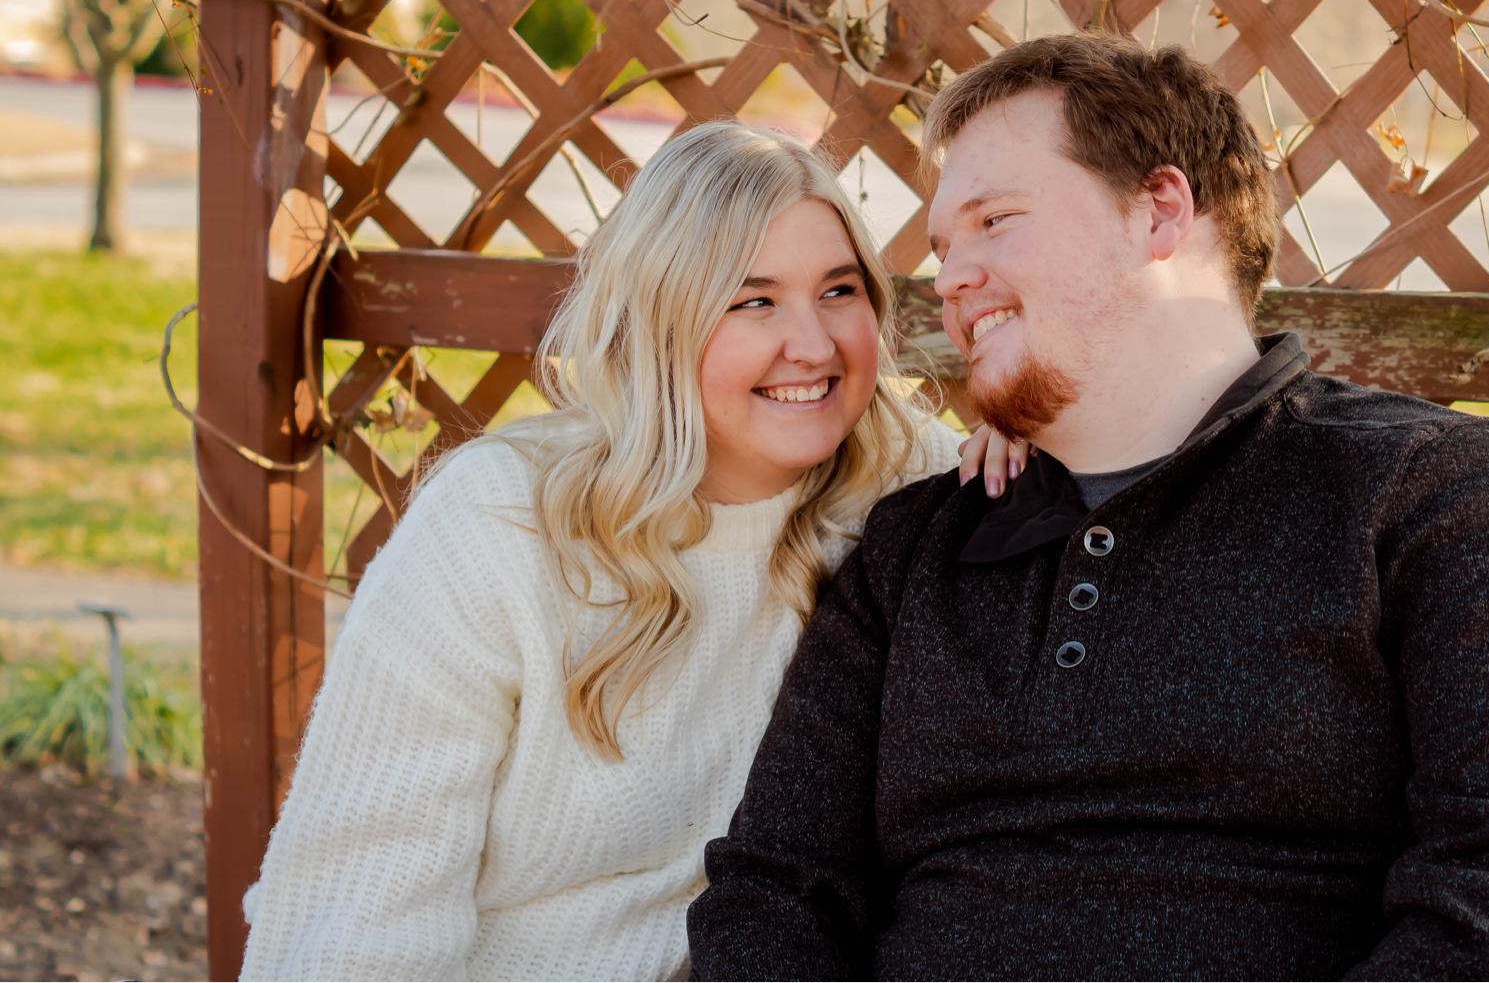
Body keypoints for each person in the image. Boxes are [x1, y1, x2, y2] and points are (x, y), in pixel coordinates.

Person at [688, 33, 1489, 980]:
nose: (948, 278)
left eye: (994, 220)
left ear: (1160, 210)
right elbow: (775, 888)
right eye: (943, 247)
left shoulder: (1427, 497)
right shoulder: (916, 549)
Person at [237, 121, 1024, 980]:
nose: (813, 344)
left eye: (839, 290)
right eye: (752, 301)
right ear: (660, 321)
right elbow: (357, 908)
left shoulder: (907, 494)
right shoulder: (501, 525)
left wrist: (1032, 447)